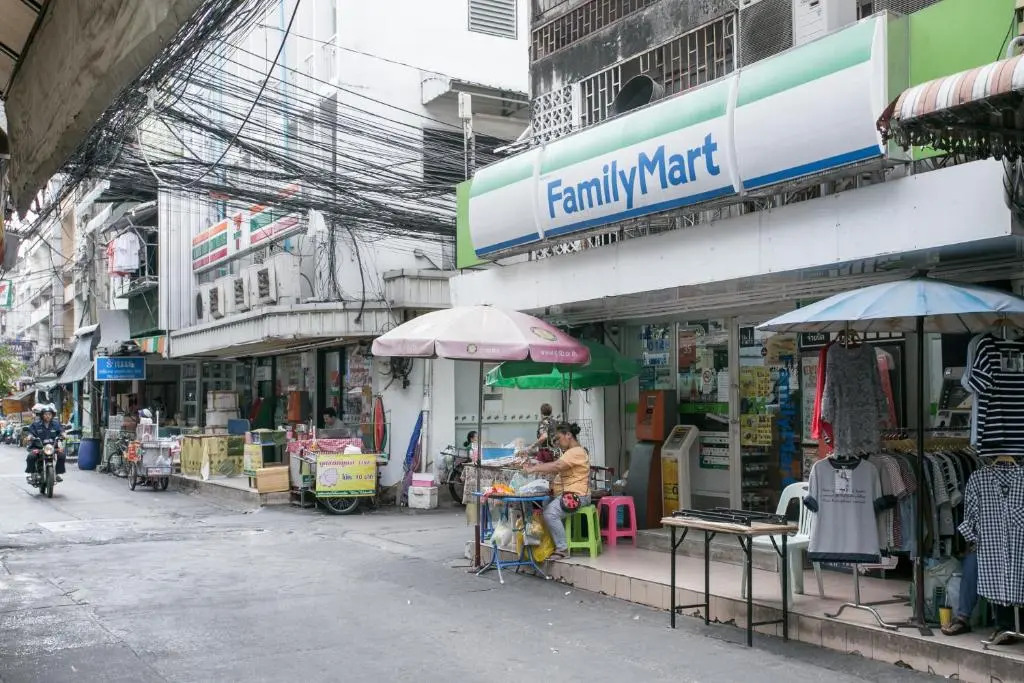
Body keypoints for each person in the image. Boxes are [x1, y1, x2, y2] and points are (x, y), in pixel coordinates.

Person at [523, 422, 591, 561]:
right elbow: (558, 467)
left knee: (550, 513)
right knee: (543, 506)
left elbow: (557, 466)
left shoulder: (576, 452)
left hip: (577, 496)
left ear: (568, 435)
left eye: (559, 438)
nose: (558, 443)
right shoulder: (570, 453)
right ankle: (547, 543)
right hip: (567, 493)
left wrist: (534, 469)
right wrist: (539, 465)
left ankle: (562, 548)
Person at [25, 403, 65, 482]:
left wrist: (64, 435)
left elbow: (61, 431)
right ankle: (31, 473)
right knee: (31, 456)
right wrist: (29, 437)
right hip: (38, 447)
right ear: (42, 415)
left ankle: (57, 474)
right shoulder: (36, 424)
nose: (48, 416)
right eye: (46, 414)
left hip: (52, 447)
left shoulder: (56, 424)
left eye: (49, 414)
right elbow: (30, 432)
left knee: (62, 455)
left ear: (52, 415)